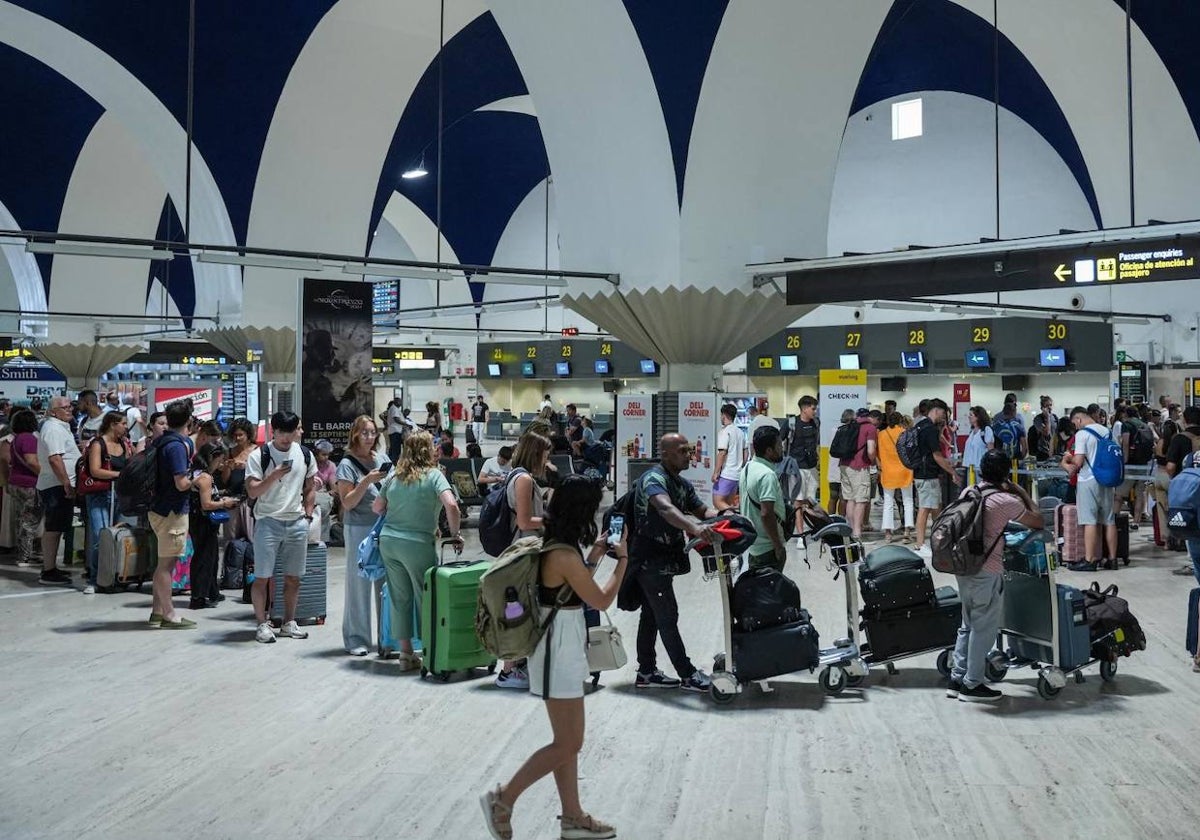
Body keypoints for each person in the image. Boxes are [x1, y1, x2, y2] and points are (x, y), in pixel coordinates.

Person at [481, 475, 627, 840]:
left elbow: (571, 588)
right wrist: (623, 561)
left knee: (567, 740)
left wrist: (594, 555)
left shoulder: (560, 547)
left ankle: (572, 816)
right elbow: (601, 600)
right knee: (568, 742)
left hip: (562, 641)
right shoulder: (562, 553)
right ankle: (504, 798)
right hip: (557, 648)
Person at [947, 449, 1043, 703]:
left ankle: (957, 678)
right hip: (987, 571)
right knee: (984, 628)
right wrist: (1020, 490)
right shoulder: (1005, 501)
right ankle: (972, 684)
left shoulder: (970, 492)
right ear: (1006, 473)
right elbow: (1038, 520)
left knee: (967, 624)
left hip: (963, 567)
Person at [629, 433, 719, 693]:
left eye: (688, 450)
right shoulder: (653, 479)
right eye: (682, 451)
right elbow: (666, 509)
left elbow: (703, 510)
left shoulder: (681, 483)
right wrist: (695, 528)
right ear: (666, 453)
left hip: (664, 560)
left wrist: (725, 514)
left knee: (652, 615)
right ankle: (688, 674)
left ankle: (646, 671)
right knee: (667, 615)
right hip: (649, 560)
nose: (688, 455)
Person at [372, 431, 462, 670]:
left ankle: (406, 654)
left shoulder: (394, 476)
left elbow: (377, 507)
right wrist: (455, 534)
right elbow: (451, 505)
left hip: (389, 542)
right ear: (427, 449)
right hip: (418, 543)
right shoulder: (434, 476)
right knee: (427, 598)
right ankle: (431, 651)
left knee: (399, 598)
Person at [245, 410, 318, 643]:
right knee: (262, 577)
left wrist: (307, 516)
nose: (286, 438)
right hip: (268, 521)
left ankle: (288, 622)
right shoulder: (259, 455)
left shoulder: (305, 454)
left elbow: (310, 487)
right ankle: (261, 624)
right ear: (272, 431)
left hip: (296, 522)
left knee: (294, 577)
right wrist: (273, 475)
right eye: (280, 432)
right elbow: (252, 490)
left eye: (290, 432)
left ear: (297, 430)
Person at [495, 432, 553, 689]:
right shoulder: (524, 479)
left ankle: (515, 665)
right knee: (519, 609)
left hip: (522, 549)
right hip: (523, 549)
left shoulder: (517, 475)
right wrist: (554, 522)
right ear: (536, 453)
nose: (548, 460)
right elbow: (525, 521)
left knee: (519, 607)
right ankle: (509, 669)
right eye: (545, 454)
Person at [336, 415, 392, 656]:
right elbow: (347, 503)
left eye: (373, 432)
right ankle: (357, 638)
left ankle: (386, 638)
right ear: (355, 434)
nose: (369, 437)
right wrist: (367, 480)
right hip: (358, 527)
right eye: (365, 433)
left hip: (383, 526)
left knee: (385, 583)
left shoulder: (382, 458)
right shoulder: (346, 465)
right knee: (358, 584)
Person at [146, 400, 197, 628]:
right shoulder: (177, 446)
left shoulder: (162, 441)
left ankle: (157, 612)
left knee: (163, 562)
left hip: (158, 508)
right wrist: (199, 480)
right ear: (189, 421)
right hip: (172, 511)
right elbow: (181, 483)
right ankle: (169, 615)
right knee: (166, 566)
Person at [1062, 405, 1119, 572]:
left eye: (1075, 423)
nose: (1075, 427)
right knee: (1109, 520)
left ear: (1078, 419)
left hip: (1088, 480)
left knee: (1090, 521)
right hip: (1107, 479)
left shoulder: (1082, 434)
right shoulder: (1107, 431)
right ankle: (1113, 559)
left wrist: (1066, 461)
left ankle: (1090, 559)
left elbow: (1078, 463)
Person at [81, 411, 131, 594]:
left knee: (115, 537)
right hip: (99, 495)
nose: (126, 426)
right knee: (99, 537)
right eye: (123, 423)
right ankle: (95, 579)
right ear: (112, 424)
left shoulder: (124, 444)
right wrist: (119, 475)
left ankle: (112, 576)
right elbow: (95, 471)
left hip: (118, 495)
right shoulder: (98, 444)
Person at [188, 441, 239, 609]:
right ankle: (199, 596)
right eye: (219, 460)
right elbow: (206, 504)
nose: (221, 464)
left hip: (197, 521)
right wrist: (225, 503)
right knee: (205, 558)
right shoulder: (205, 477)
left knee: (209, 557)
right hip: (204, 522)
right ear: (212, 458)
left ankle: (210, 592)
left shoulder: (196, 473)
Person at [35, 396, 80, 586]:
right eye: (64, 407)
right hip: (56, 486)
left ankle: (51, 566)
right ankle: (48, 570)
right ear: (53, 411)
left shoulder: (61, 427)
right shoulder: (53, 429)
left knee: (57, 526)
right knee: (53, 528)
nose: (69, 410)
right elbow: (55, 459)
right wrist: (66, 484)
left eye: (70, 406)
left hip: (58, 485)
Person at [911, 399, 962, 558]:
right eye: (944, 413)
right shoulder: (930, 429)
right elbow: (937, 456)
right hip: (928, 475)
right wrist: (953, 472)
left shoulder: (919, 426)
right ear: (937, 410)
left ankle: (938, 540)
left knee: (935, 508)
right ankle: (920, 545)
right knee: (925, 509)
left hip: (920, 473)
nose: (944, 418)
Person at [740, 426, 788, 571]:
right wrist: (778, 545)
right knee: (771, 591)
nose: (782, 448)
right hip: (768, 548)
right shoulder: (767, 475)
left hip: (754, 544)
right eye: (779, 445)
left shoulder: (748, 468)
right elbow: (766, 514)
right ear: (769, 451)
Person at [8, 409, 42, 568]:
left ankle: (22, 553)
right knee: (29, 522)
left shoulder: (15, 439)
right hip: (29, 484)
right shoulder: (29, 439)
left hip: (15, 482)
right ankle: (25, 556)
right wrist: (45, 475)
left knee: (21, 520)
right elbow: (31, 461)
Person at [838, 407, 878, 539]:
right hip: (859, 467)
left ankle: (851, 529)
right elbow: (871, 451)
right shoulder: (870, 428)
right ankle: (857, 532)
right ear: (870, 417)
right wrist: (872, 462)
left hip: (844, 465)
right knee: (861, 500)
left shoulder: (850, 425)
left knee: (850, 499)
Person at [877, 412, 914, 543]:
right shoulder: (905, 433)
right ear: (900, 421)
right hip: (905, 471)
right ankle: (907, 532)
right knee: (908, 501)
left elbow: (877, 454)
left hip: (888, 472)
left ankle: (888, 534)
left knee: (888, 502)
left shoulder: (881, 435)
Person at [788, 395, 821, 530]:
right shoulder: (792, 423)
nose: (815, 411)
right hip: (797, 468)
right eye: (813, 409)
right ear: (804, 408)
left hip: (812, 467)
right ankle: (801, 534)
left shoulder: (816, 423)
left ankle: (814, 528)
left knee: (811, 501)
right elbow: (779, 441)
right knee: (798, 502)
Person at [711, 403, 746, 510]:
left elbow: (722, 453)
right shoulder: (740, 432)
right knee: (728, 503)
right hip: (736, 475)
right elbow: (746, 453)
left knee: (717, 501)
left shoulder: (725, 432)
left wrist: (716, 472)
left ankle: (736, 518)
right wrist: (740, 466)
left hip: (726, 474)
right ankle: (729, 524)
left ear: (724, 415)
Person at [961, 406, 995, 478]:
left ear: (978, 417)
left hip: (980, 469)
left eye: (971, 415)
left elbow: (991, 450)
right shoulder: (972, 432)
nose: (969, 417)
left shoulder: (986, 430)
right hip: (970, 468)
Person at [1029, 396, 1057, 461]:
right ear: (1042, 408)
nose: (1049, 407)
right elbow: (1046, 433)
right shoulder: (1038, 419)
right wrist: (1047, 418)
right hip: (1043, 452)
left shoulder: (1055, 418)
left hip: (1054, 451)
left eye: (1050, 405)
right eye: (1047, 405)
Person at [385, 398, 406, 463]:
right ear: (396, 402)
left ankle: (391, 462)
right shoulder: (394, 409)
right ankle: (393, 462)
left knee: (393, 448)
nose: (401, 403)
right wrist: (406, 424)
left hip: (394, 431)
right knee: (396, 449)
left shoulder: (393, 408)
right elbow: (396, 419)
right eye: (400, 402)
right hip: (395, 431)